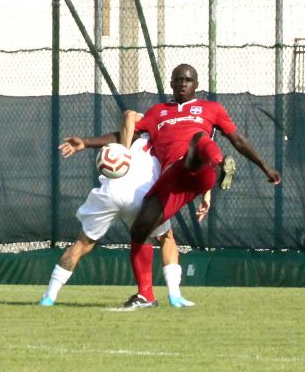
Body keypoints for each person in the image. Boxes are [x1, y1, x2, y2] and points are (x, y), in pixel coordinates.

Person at [120, 63, 282, 306]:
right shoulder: (158, 112)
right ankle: (146, 296)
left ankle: (220, 163)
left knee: (197, 139)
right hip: (172, 179)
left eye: (188, 79)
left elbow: (237, 139)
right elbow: (124, 133)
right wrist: (86, 143)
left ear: (196, 84)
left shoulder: (210, 108)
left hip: (199, 169)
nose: (183, 83)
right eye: (178, 79)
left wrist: (264, 166)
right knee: (140, 229)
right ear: (172, 84)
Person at [39, 113, 210, 309]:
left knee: (82, 244)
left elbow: (128, 117)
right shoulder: (167, 139)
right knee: (166, 238)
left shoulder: (137, 134)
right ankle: (174, 296)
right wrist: (206, 194)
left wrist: (93, 144)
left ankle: (48, 297)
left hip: (110, 192)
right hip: (140, 195)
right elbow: (197, 165)